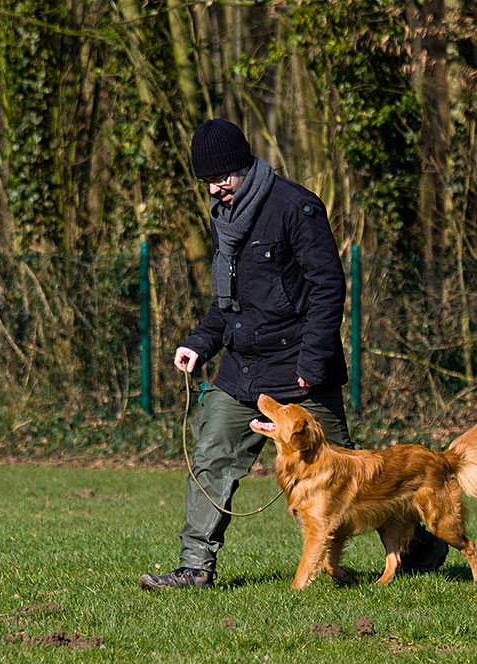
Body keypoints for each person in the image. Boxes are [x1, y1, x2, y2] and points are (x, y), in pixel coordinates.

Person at [138, 118, 446, 590]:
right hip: (241, 371)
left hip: (301, 374)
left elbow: (328, 288)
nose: (217, 188)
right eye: (209, 182)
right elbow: (230, 303)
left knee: (356, 477)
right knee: (210, 457)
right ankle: (194, 568)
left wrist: (312, 364)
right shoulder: (224, 218)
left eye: (223, 178)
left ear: (244, 166)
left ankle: (422, 545)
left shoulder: (295, 207)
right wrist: (198, 344)